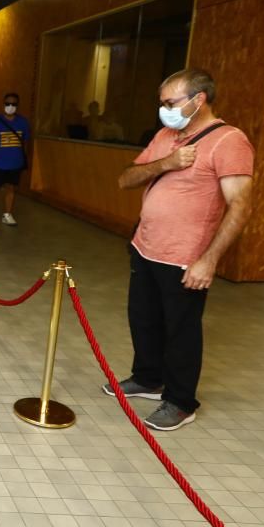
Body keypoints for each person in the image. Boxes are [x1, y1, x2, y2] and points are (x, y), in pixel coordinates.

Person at [105, 68, 253, 431]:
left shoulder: (229, 141)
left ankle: (181, 401)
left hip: (185, 257)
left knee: (181, 331)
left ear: (198, 99)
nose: (164, 110)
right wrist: (167, 163)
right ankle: (148, 378)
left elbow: (241, 206)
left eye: (170, 102)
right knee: (143, 319)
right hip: (146, 246)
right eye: (162, 103)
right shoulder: (166, 135)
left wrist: (209, 260)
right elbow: (127, 178)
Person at [0, 92, 30, 225]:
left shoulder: (23, 122)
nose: (10, 106)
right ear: (3, 105)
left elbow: (25, 142)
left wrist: (22, 158)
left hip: (15, 164)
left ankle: (7, 214)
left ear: (18, 106)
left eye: (14, 104)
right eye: (8, 104)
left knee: (11, 189)